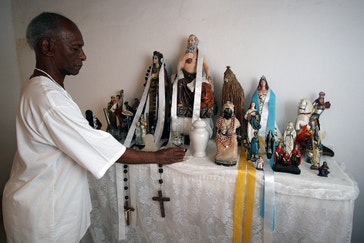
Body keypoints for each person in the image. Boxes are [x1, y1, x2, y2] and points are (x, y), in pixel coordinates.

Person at [2, 12, 186, 243]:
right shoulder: (47, 97)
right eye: (75, 48)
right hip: (44, 215)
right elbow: (97, 145)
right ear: (47, 47)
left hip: (42, 206)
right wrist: (156, 156)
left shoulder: (40, 88)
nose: (83, 56)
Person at [176, 34, 215, 118]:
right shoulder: (185, 54)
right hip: (185, 76)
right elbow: (180, 66)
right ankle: (181, 104)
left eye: (192, 40)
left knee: (201, 87)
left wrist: (208, 74)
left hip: (196, 77)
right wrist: (185, 58)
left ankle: (197, 104)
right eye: (189, 41)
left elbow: (206, 66)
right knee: (180, 83)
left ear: (196, 42)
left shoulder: (201, 55)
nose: (190, 42)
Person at [215, 101, 240, 166]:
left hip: (231, 136)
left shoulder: (235, 121)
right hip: (222, 136)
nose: (227, 113)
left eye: (229, 111)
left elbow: (238, 130)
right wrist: (221, 131)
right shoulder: (219, 120)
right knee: (218, 139)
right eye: (226, 111)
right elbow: (217, 130)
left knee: (234, 139)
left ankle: (231, 158)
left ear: (232, 112)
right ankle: (220, 157)